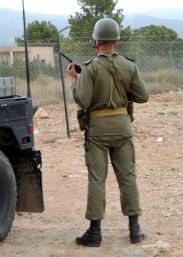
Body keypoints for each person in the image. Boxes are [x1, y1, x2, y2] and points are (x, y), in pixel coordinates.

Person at [67, 17, 149, 247]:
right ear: (117, 40)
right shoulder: (130, 66)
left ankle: (94, 233)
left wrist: (75, 80)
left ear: (96, 41)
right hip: (123, 127)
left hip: (98, 130)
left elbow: (82, 100)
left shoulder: (91, 68)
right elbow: (143, 96)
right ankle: (135, 230)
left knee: (97, 180)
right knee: (128, 177)